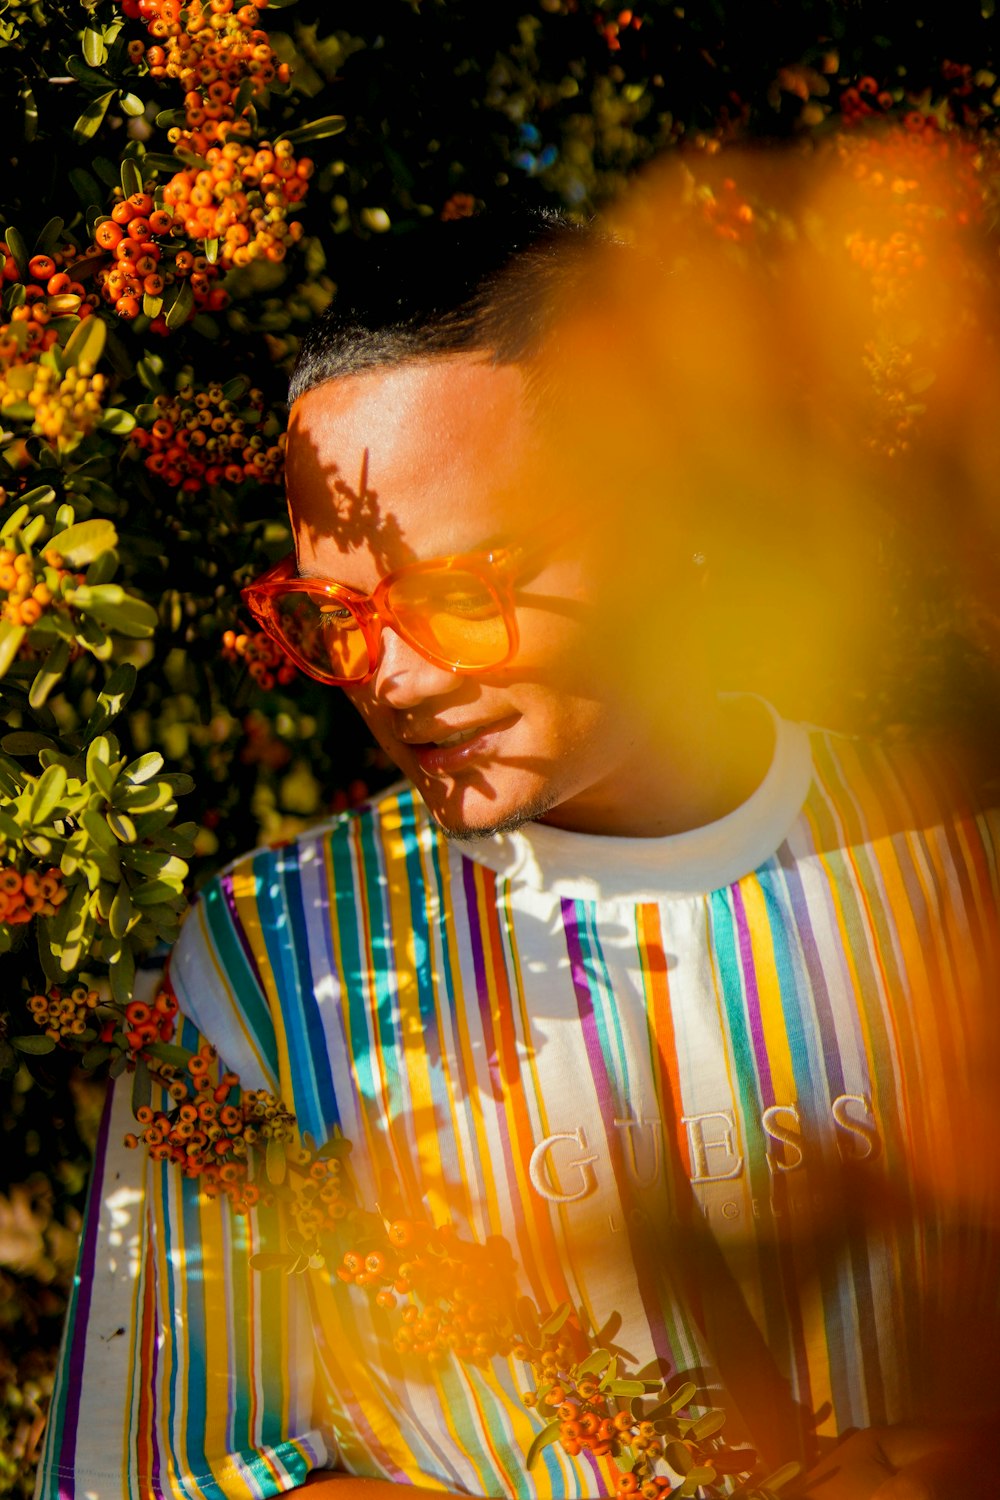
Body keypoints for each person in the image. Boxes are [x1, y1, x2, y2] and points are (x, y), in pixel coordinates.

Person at [35, 211, 1000, 1500]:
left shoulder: (961, 851)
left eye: (458, 591)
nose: (392, 680)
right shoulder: (266, 969)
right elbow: (168, 1472)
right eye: (337, 616)